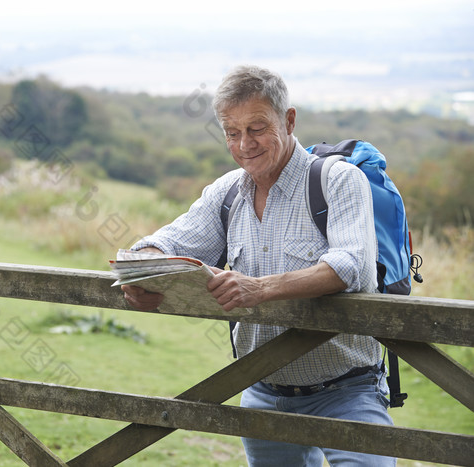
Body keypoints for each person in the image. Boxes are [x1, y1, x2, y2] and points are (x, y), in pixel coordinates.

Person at [121, 65, 395, 466]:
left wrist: (263, 288)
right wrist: (141, 271)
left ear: (289, 120)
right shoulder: (227, 191)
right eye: (232, 133)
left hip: (348, 391)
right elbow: (170, 241)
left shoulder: (339, 181)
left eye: (257, 128)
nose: (244, 144)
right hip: (262, 391)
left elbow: (353, 266)